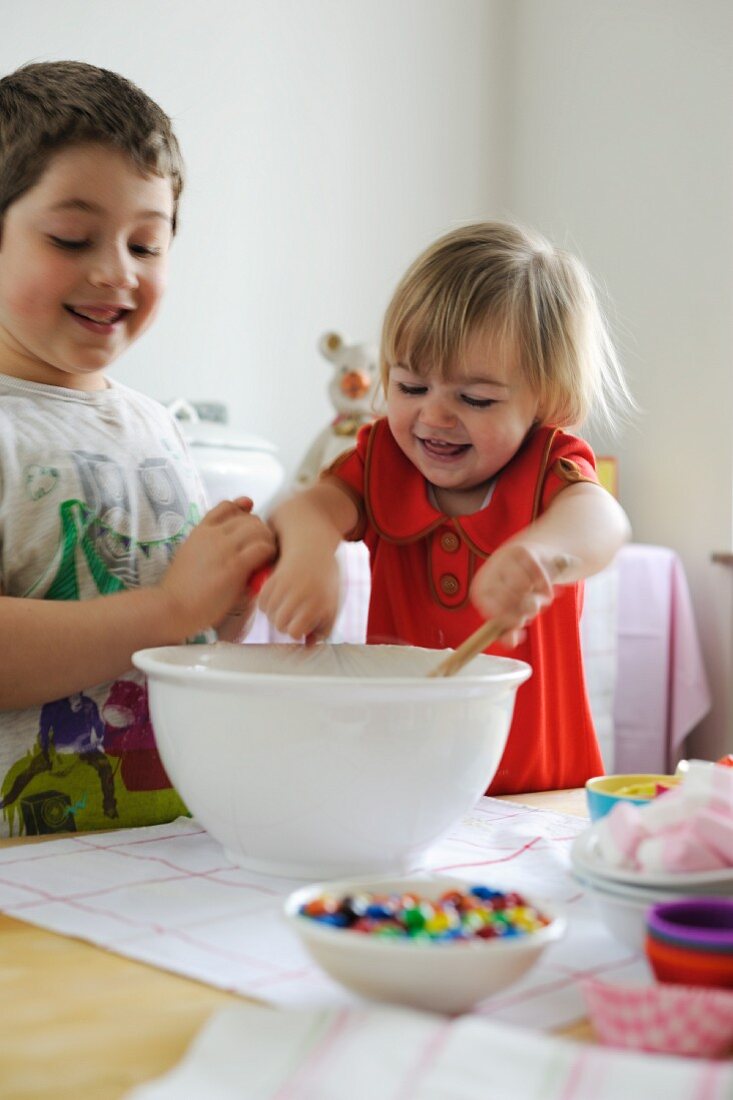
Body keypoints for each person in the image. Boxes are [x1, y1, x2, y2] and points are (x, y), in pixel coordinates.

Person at [260, 222, 633, 795]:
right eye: (410, 388)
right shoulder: (384, 458)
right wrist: (312, 552)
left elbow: (602, 520)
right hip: (405, 777)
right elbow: (307, 506)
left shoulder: (546, 469)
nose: (433, 417)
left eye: (475, 398)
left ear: (550, 399)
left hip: (535, 790)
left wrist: (545, 553)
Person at [0, 61, 276, 836]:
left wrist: (227, 602)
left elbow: (177, 639)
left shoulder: (156, 426)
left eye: (147, 245)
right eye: (72, 236)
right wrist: (171, 606)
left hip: (155, 842)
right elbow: (156, 614)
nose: (116, 270)